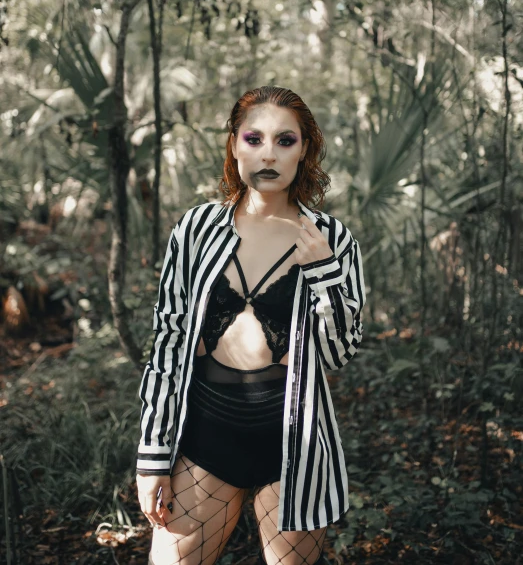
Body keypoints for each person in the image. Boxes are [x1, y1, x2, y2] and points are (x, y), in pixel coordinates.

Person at [136, 85, 366, 565]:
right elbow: (169, 342)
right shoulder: (197, 229)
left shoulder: (332, 238)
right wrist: (153, 457)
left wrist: (323, 271)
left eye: (285, 140)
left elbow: (340, 352)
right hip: (206, 433)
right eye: (254, 138)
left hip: (294, 446)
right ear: (234, 145)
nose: (268, 153)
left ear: (305, 150)